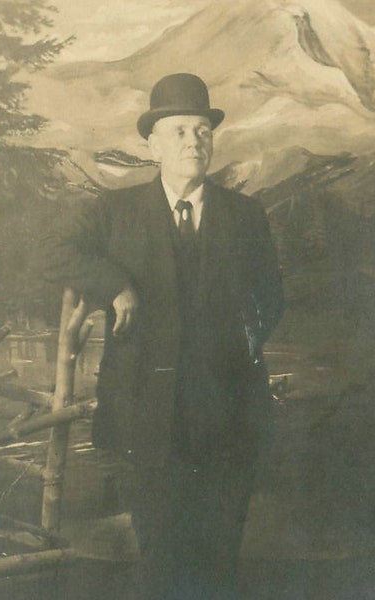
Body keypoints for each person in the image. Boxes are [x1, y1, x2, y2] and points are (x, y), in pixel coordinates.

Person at [43, 73, 284, 600]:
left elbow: (269, 301)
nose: (192, 142)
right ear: (151, 142)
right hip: (145, 418)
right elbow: (56, 252)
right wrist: (116, 287)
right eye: (178, 131)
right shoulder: (115, 212)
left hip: (228, 417)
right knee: (159, 558)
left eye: (201, 131)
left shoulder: (246, 215)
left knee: (219, 557)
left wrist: (228, 354)